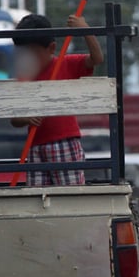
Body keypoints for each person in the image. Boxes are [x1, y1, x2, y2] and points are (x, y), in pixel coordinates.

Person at [10, 13, 104, 186]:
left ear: (51, 48)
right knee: (38, 199)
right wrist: (25, 118)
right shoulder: (24, 76)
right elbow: (14, 119)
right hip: (35, 146)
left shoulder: (65, 64)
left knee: (71, 196)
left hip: (64, 143)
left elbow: (97, 58)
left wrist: (85, 30)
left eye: (33, 54)